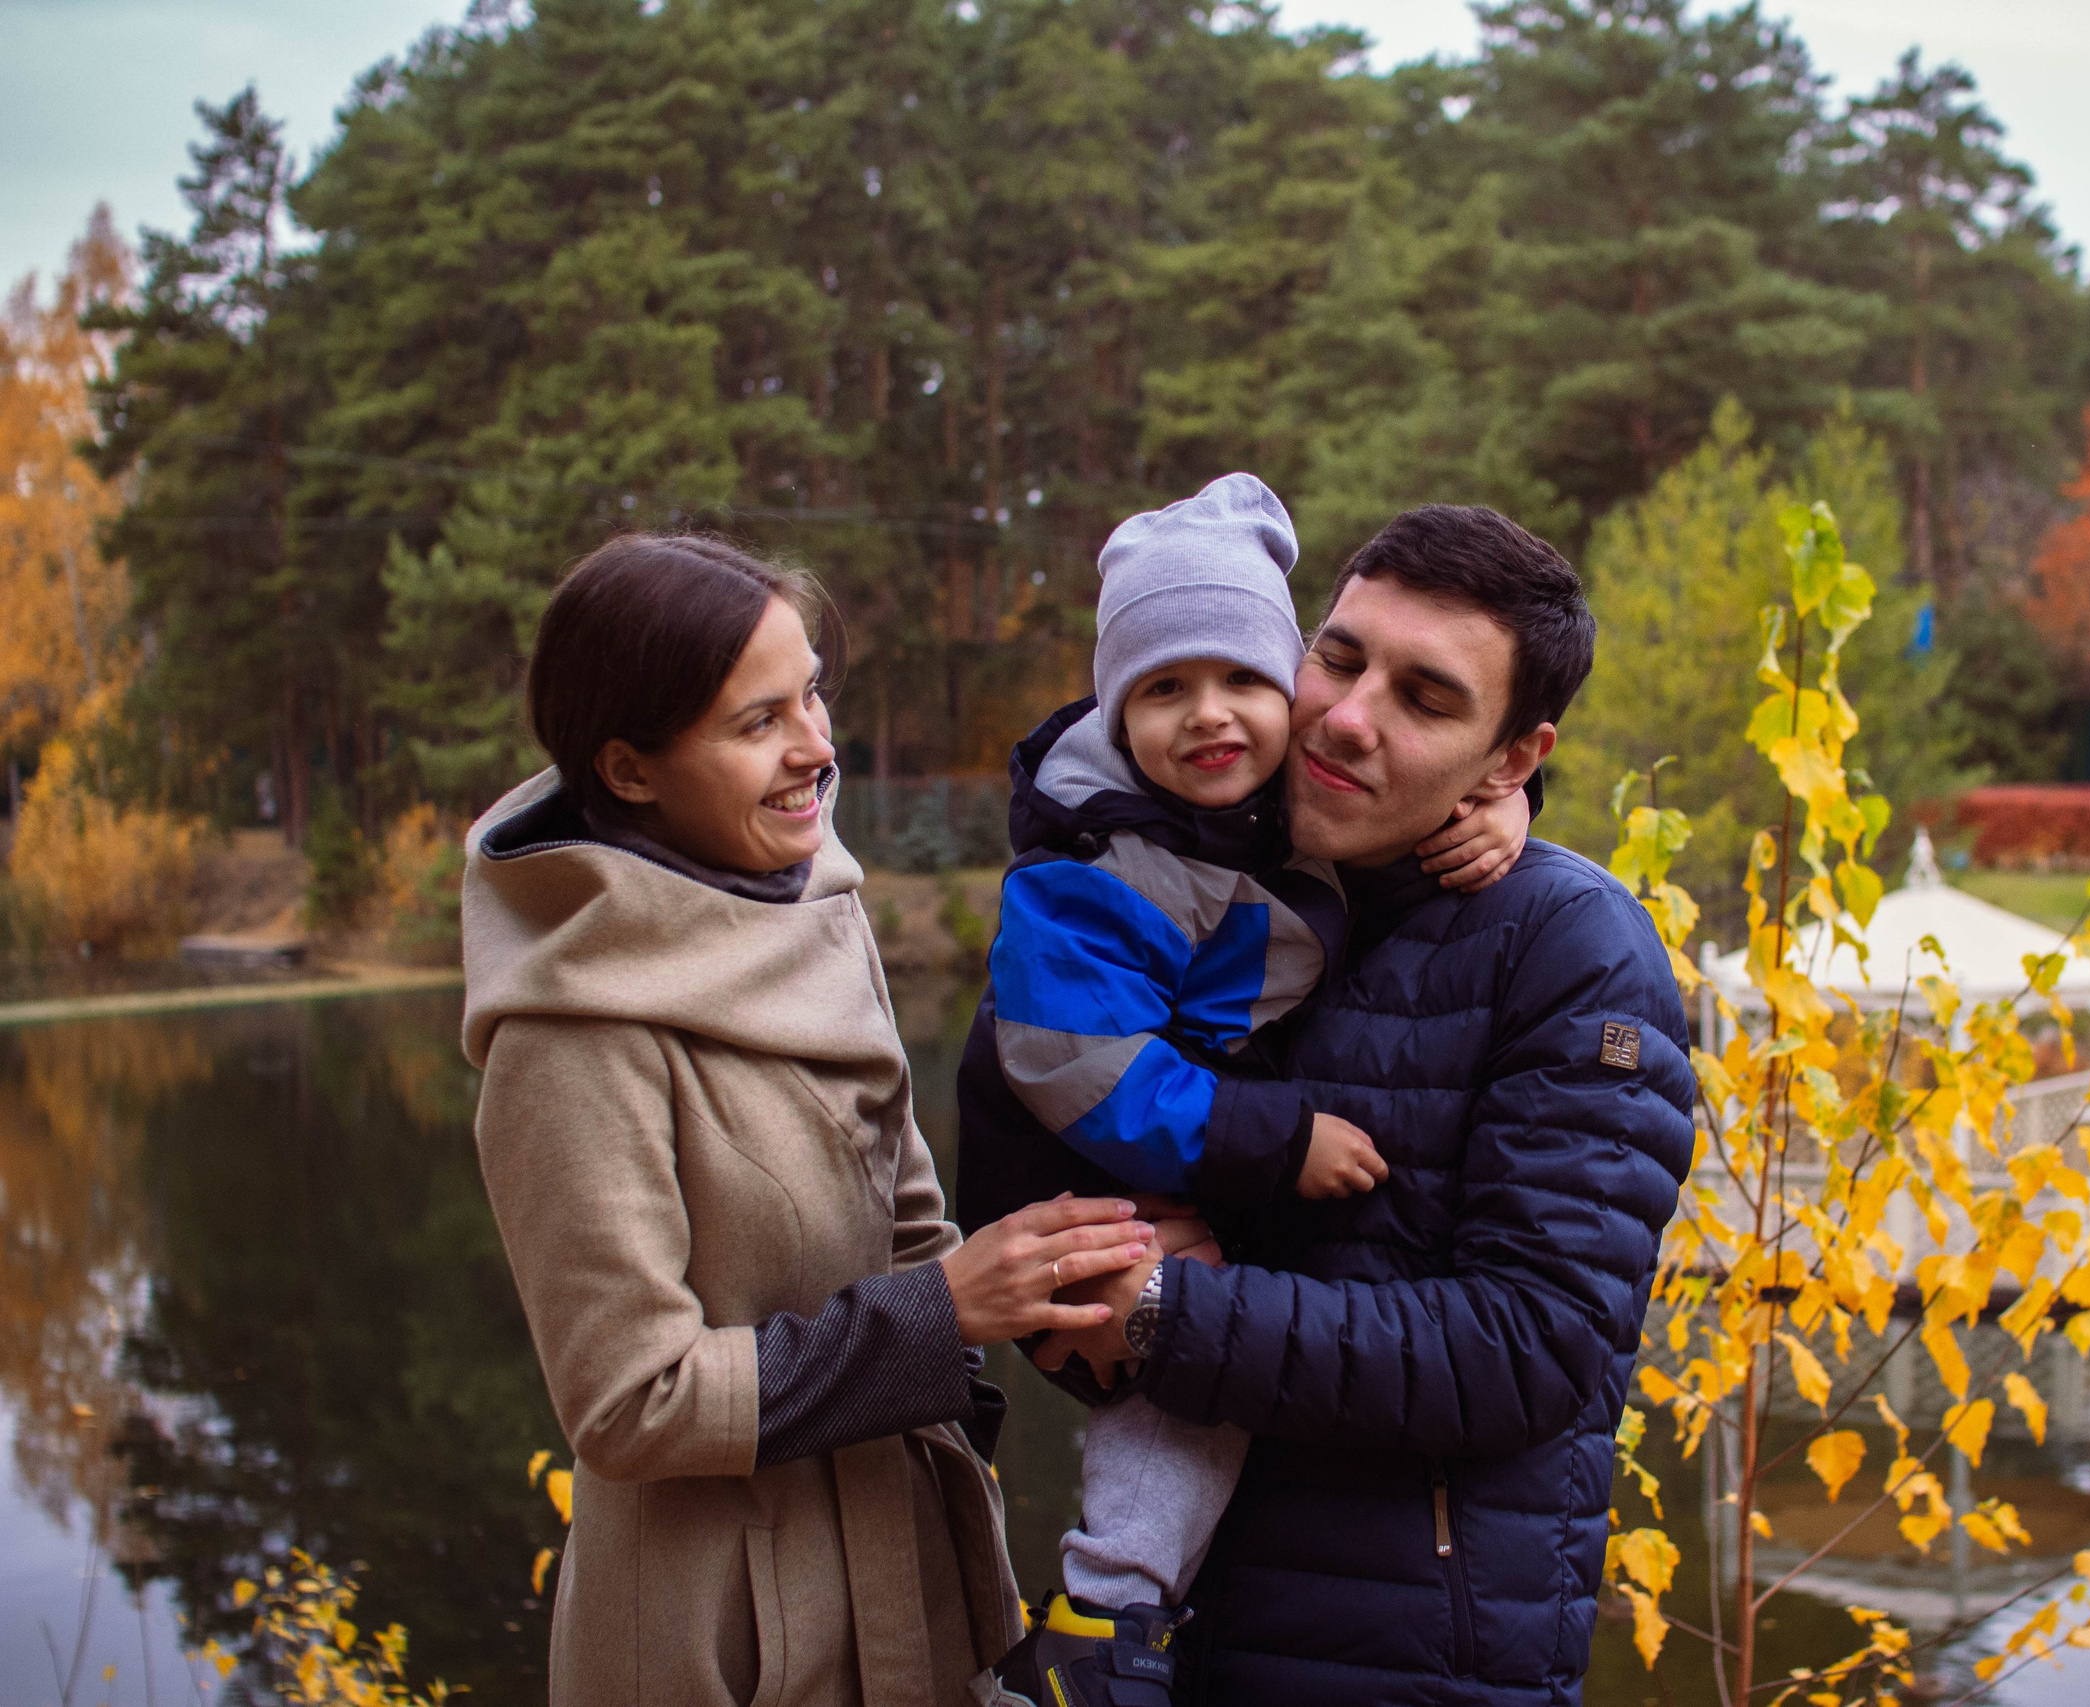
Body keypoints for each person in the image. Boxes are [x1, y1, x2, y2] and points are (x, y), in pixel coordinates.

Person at [461, 533, 1156, 1707]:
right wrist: (943, 1312)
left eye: (813, 693)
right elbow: (631, 1405)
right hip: (719, 1644)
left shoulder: (814, 902)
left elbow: (914, 1231)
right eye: (756, 724)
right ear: (629, 772)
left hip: (915, 1590)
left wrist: (1083, 1292)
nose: (818, 750)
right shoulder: (566, 1036)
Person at [1030, 506, 1697, 1706]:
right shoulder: (1195, 870)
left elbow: (1531, 1349)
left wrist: (1167, 1312)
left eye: (1425, 699)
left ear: (1512, 761)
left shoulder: (1570, 952)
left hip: (1409, 1665)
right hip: (1181, 1641)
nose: (1345, 714)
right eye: (1337, 657)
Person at [951, 474, 1530, 1707]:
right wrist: (1272, 1140)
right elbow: (1072, 1064)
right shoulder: (1096, 859)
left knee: (1204, 1352)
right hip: (1072, 1158)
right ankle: (1102, 1619)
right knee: (1180, 1343)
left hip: (1171, 1129)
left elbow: (1395, 805)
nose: (1207, 717)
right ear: (1117, 706)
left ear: (1285, 694)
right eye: (1163, 689)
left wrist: (1505, 803)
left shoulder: (1254, 806)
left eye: (1242, 682)